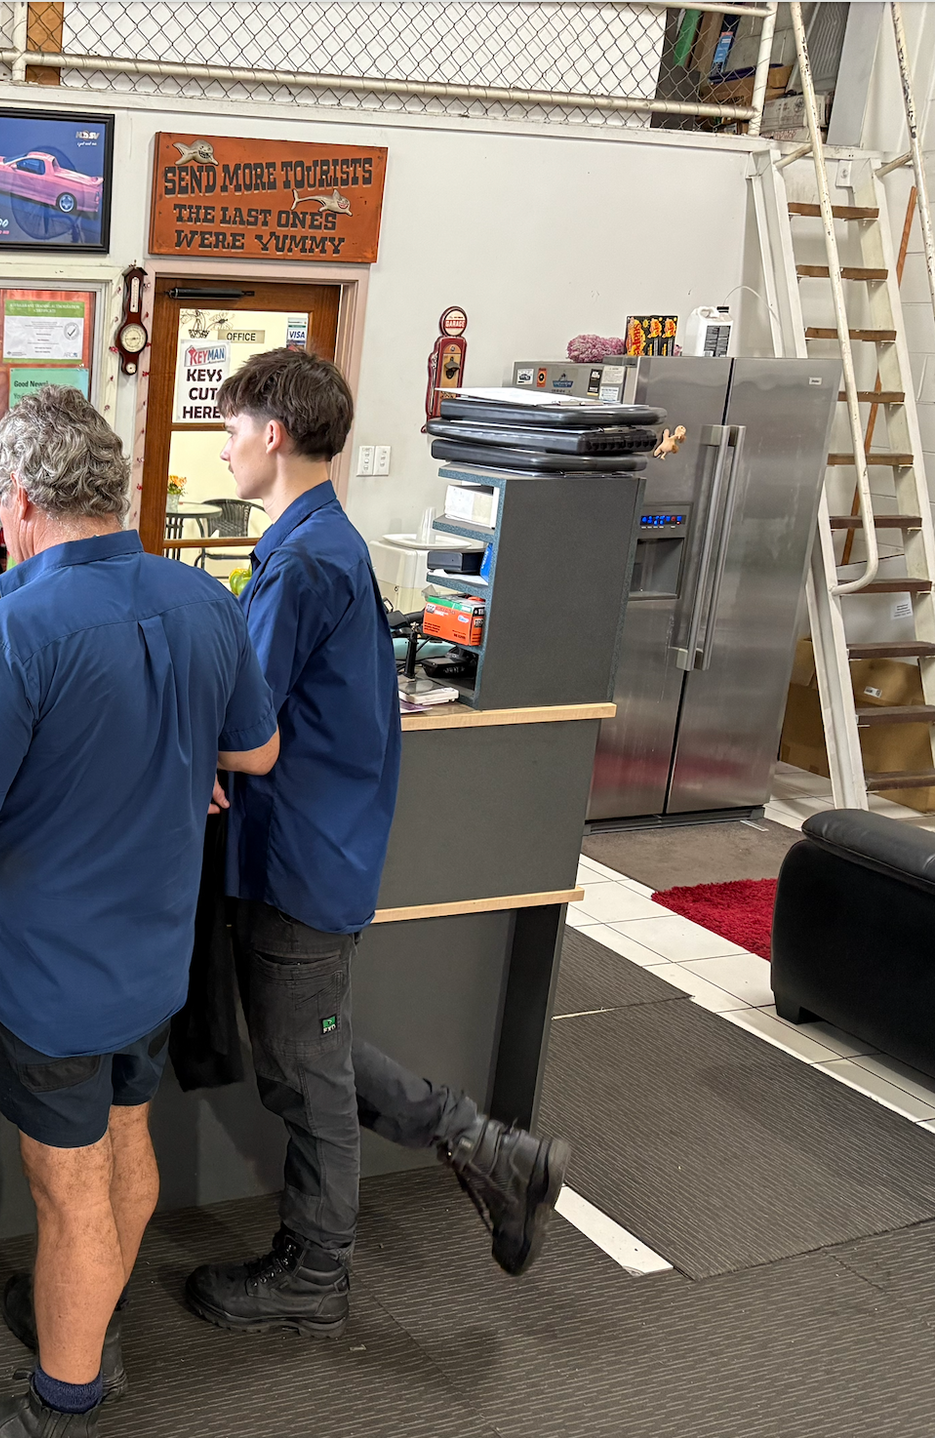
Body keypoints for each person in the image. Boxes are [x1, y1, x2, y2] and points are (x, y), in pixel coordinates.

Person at [0, 385, 280, 1437]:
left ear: (25, 499)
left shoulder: (14, 631)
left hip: (49, 973)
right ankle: (93, 1319)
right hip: (151, 956)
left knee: (68, 1186)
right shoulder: (204, 601)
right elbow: (255, 751)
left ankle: (62, 1404)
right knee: (126, 1133)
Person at [184, 347, 572, 1339]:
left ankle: (318, 1274)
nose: (224, 445)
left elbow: (249, 725)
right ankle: (491, 1150)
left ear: (274, 433)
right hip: (306, 843)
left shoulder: (306, 560)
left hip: (301, 857)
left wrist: (189, 750)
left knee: (308, 1074)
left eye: (232, 428)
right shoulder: (314, 545)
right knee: (305, 1056)